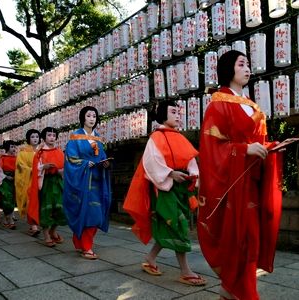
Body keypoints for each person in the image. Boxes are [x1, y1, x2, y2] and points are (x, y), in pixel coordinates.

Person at [197, 50, 283, 300]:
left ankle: (230, 289)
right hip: (231, 184)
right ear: (228, 69)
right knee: (239, 239)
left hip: (251, 181)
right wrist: (244, 149)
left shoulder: (253, 106)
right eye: (241, 64)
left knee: (251, 238)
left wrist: (272, 147)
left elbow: (258, 143)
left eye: (248, 65)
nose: (247, 69)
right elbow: (212, 146)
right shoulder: (219, 102)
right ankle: (241, 292)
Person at [123, 101, 206, 286]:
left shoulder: (180, 137)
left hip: (181, 188)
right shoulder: (156, 137)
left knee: (170, 226)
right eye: (173, 112)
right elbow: (151, 163)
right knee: (179, 224)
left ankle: (150, 259)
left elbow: (191, 161)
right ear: (163, 115)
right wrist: (170, 173)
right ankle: (185, 271)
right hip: (165, 188)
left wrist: (194, 176)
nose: (178, 115)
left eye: (178, 112)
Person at [63, 106, 112, 260]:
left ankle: (80, 240)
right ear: (83, 118)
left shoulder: (98, 138)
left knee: (96, 214)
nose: (92, 119)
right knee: (91, 214)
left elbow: (102, 156)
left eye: (94, 116)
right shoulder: (75, 137)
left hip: (97, 181)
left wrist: (105, 163)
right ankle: (87, 247)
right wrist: (85, 163)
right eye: (89, 116)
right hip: (83, 181)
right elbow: (70, 158)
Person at [28, 127, 66, 247]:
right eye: (49, 135)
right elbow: (35, 169)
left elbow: (65, 167)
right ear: (44, 137)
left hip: (58, 183)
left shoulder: (60, 152)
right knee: (47, 209)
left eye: (54, 135)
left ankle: (53, 230)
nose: (52, 137)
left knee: (61, 208)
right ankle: (46, 235)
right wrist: (43, 167)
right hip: (46, 183)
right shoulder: (40, 153)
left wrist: (62, 172)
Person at [15, 129, 41, 235]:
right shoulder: (23, 151)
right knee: (31, 201)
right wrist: (31, 170)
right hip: (29, 180)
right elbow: (20, 165)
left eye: (37, 137)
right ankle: (33, 225)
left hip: (41, 179)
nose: (35, 139)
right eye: (32, 137)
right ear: (28, 139)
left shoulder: (42, 150)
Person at [0, 140, 17, 229]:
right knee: (7, 199)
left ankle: (7, 218)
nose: (14, 148)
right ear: (7, 148)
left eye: (14, 146)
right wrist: (6, 176)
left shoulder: (17, 158)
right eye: (12, 147)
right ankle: (11, 220)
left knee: (12, 199)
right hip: (5, 181)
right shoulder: (2, 159)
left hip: (14, 180)